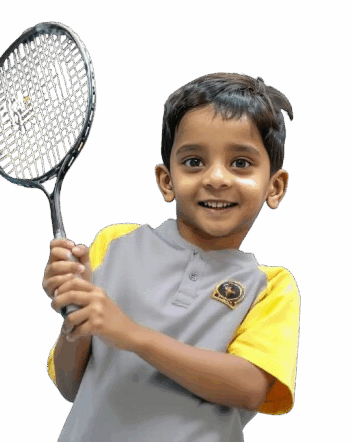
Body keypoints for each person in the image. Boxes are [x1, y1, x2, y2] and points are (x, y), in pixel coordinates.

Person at [43, 72, 301, 441]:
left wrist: (131, 334)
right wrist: (75, 318)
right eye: (194, 161)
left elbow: (251, 388)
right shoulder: (114, 243)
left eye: (241, 163)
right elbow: (70, 386)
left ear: (274, 187)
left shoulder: (270, 287)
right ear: (167, 181)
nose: (216, 178)